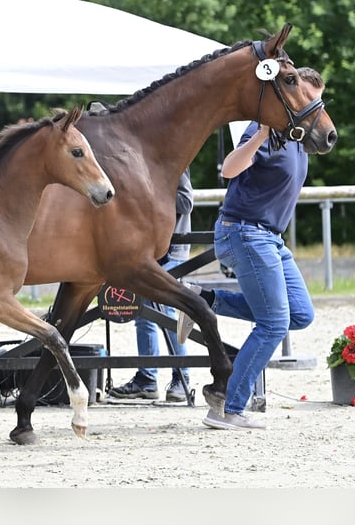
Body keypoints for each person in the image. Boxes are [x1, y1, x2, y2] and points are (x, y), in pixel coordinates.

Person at [178, 67, 325, 430]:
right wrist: (259, 135)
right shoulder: (266, 130)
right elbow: (228, 169)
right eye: (306, 98)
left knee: (300, 314)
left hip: (270, 237)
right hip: (243, 232)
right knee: (273, 324)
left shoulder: (298, 136)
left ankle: (202, 298)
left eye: (316, 101)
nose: (310, 106)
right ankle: (227, 407)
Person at [109, 169, 193, 402]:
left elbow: (186, 202)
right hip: (150, 251)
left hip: (174, 249)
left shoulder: (174, 162)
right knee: (142, 312)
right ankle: (148, 378)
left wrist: (145, 194)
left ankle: (181, 376)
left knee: (164, 308)